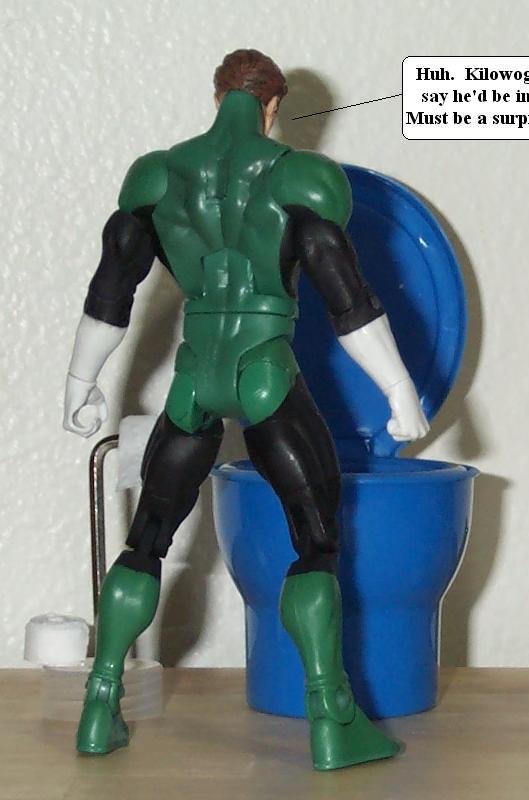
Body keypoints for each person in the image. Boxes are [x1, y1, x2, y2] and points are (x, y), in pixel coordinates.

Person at [62, 49, 429, 770]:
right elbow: (346, 295)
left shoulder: (158, 177)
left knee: (145, 543)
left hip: (193, 377)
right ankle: (332, 718)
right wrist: (397, 390)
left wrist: (79, 379)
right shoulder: (299, 178)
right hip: (264, 370)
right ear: (273, 106)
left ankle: (99, 707)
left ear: (216, 96)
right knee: (315, 544)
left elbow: (112, 287)